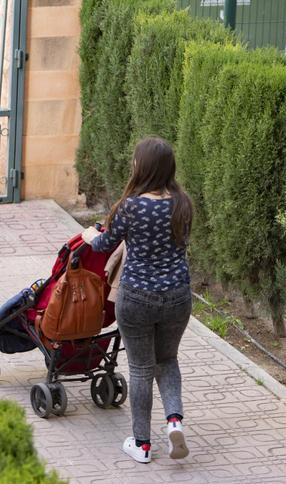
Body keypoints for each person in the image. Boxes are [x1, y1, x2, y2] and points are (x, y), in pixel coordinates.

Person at [82, 137, 193, 464]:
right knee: (168, 360)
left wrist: (89, 235)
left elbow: (104, 244)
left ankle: (142, 444)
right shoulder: (183, 203)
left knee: (142, 368)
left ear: (142, 167)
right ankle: (174, 421)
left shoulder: (131, 206)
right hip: (177, 296)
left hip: (137, 298)